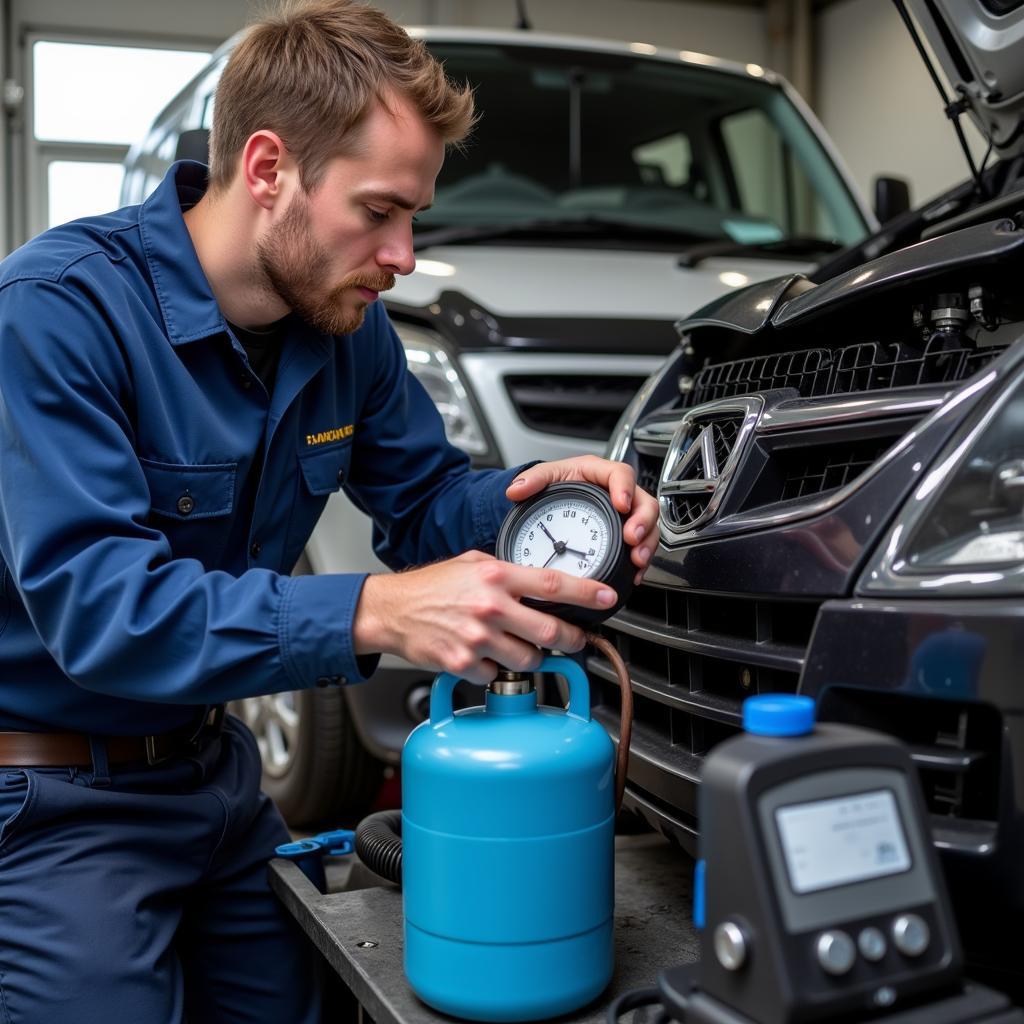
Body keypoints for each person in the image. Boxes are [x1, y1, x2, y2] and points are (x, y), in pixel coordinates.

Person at [0, 1, 658, 1021]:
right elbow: (101, 610)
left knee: (313, 1002)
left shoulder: (346, 331)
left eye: (415, 220)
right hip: (51, 799)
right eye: (380, 211)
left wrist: (553, 499)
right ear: (268, 169)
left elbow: (430, 501)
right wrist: (378, 612)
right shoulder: (56, 313)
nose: (401, 255)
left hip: (211, 777)